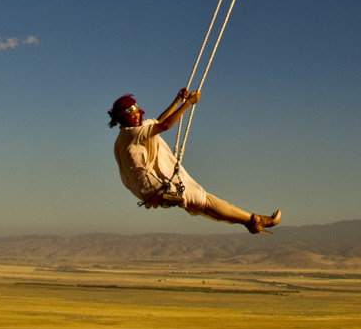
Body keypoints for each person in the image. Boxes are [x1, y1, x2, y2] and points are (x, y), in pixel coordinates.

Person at [108, 87, 281, 234]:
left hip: (149, 188)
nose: (137, 117)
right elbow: (164, 126)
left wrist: (177, 100)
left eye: (137, 112)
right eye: (131, 115)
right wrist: (188, 104)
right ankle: (253, 220)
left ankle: (250, 221)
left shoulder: (133, 130)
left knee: (203, 203)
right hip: (154, 187)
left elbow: (158, 120)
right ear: (123, 118)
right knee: (203, 201)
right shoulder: (132, 134)